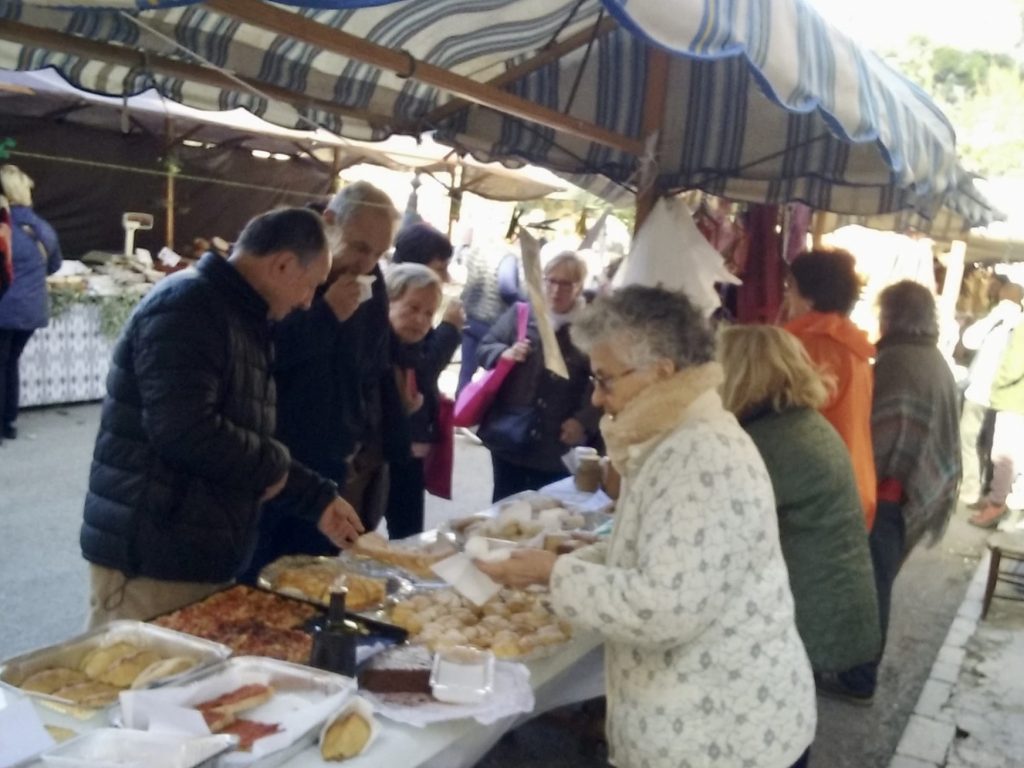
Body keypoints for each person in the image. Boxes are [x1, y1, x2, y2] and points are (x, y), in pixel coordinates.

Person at [477, 286, 816, 768]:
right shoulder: (672, 436)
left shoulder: (698, 456)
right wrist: (565, 560)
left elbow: (662, 609)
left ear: (661, 372)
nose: (597, 398)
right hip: (709, 725)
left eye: (604, 380)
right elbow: (647, 549)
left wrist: (553, 573)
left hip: (721, 739)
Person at [80, 208, 363, 627]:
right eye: (311, 285)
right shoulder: (189, 306)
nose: (308, 301)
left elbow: (241, 438)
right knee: (133, 668)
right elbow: (186, 432)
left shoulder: (240, 315)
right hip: (154, 558)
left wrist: (313, 496)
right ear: (283, 264)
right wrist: (279, 471)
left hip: (194, 550)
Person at [242, 183, 402, 582]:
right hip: (271, 454)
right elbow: (259, 352)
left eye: (379, 254)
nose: (367, 263)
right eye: (360, 247)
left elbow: (372, 366)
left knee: (315, 579)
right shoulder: (285, 259)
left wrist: (362, 442)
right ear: (330, 222)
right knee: (256, 577)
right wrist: (325, 316)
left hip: (331, 458)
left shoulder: (372, 282)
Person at [718, 324, 881, 677]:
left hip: (813, 620)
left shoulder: (770, 442)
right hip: (836, 609)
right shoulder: (800, 423)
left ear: (738, 376)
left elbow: (717, 525)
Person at [827, 281, 961, 702]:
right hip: (912, 491)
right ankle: (852, 666)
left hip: (889, 493)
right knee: (873, 583)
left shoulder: (898, 361)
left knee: (871, 587)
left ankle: (860, 678)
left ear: (891, 316)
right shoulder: (931, 358)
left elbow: (877, 434)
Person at [476, 251, 599, 501]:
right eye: (550, 280)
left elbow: (603, 380)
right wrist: (505, 353)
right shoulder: (522, 314)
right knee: (504, 505)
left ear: (579, 287)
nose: (556, 290)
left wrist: (583, 420)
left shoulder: (591, 329)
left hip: (556, 442)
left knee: (546, 509)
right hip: (511, 434)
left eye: (566, 284)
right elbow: (485, 347)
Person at [784, 248, 877, 530]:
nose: (786, 297)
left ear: (810, 297)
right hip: (854, 483)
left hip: (819, 492)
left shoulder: (806, 346)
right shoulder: (853, 346)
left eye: (791, 288)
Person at [387, 225, 465, 537]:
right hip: (386, 454)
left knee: (407, 531)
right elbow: (425, 369)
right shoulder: (376, 344)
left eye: (428, 313)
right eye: (440, 267)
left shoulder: (408, 336)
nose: (445, 276)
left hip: (410, 445)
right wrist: (449, 330)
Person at [0, 165, 62, 443]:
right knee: (9, 363)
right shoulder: (43, 228)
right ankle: (8, 423)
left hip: (4, 307)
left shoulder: (5, 227)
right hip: (31, 309)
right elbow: (54, 265)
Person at [959, 283, 1023, 508]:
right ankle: (976, 490)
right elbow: (969, 341)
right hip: (984, 393)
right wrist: (993, 318)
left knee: (987, 447)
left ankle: (981, 492)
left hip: (995, 396)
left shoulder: (1015, 324)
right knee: (975, 443)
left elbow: (1014, 365)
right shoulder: (997, 321)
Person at [970, 319, 1024, 528]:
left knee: (1003, 456)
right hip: (1017, 401)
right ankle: (1000, 500)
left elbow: (1013, 366)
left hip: (1012, 400)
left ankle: (996, 504)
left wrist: (995, 384)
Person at [458, 239, 522, 396]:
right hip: (492, 320)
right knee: (493, 372)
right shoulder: (508, 256)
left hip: (470, 315)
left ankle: (461, 405)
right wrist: (522, 303)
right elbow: (507, 288)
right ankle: (481, 405)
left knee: (466, 370)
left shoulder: (477, 250)